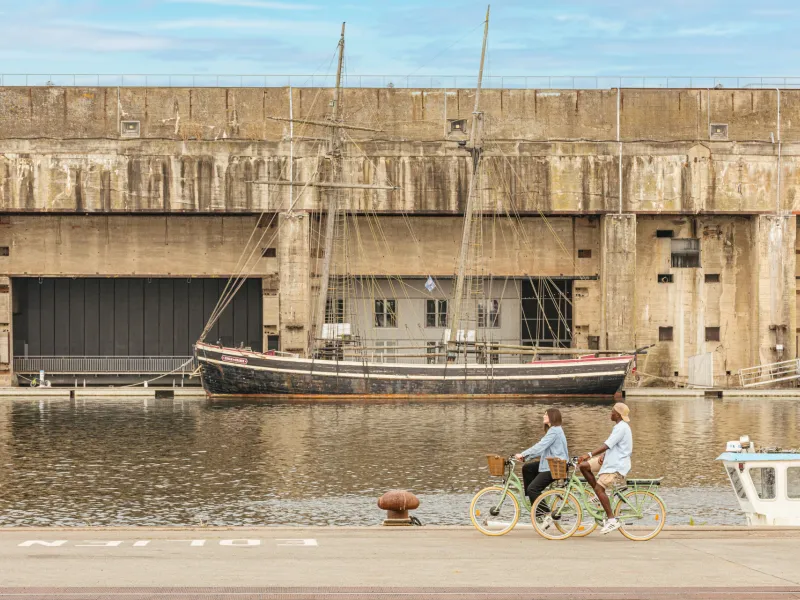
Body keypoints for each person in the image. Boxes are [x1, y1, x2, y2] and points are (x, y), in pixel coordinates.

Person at [578, 402, 633, 535]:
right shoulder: (619, 426)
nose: (610, 413)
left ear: (618, 414)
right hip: (609, 459)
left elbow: (607, 445)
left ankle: (612, 519)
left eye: (612, 411)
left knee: (599, 488)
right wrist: (603, 455)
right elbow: (614, 446)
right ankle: (599, 495)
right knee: (584, 466)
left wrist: (589, 454)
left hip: (616, 464)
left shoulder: (621, 428)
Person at [514, 408, 568, 525]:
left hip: (555, 466)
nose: (543, 417)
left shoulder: (554, 431)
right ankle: (535, 502)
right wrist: (525, 458)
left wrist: (523, 453)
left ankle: (546, 513)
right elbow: (541, 450)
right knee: (527, 468)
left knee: (532, 489)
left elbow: (540, 446)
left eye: (545, 415)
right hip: (551, 464)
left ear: (552, 417)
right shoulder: (554, 430)